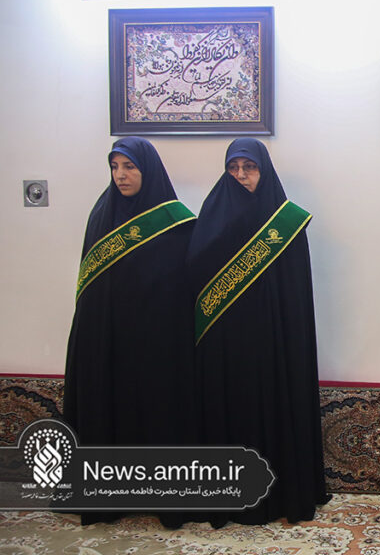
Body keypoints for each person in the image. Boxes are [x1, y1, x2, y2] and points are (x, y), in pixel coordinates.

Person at [186, 138, 329, 526]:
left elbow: (295, 293)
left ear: (263, 171)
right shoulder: (212, 214)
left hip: (272, 342)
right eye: (233, 168)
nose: (241, 175)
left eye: (249, 168)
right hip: (225, 343)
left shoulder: (285, 221)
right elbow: (196, 276)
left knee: (271, 408)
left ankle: (279, 494)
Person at [63, 137, 197, 528]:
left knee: (157, 411)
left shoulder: (175, 222)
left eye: (129, 167)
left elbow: (181, 288)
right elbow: (91, 286)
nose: (120, 175)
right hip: (108, 340)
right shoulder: (102, 214)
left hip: (157, 343)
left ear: (148, 170)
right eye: (115, 166)